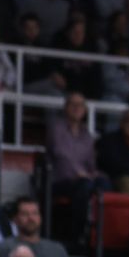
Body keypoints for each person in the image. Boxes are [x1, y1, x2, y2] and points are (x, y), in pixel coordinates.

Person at [47, 90, 109, 245]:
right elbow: (60, 154)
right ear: (66, 107)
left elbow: (90, 164)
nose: (77, 108)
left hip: (82, 180)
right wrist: (79, 174)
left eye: (80, 105)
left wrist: (95, 175)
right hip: (59, 180)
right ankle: (76, 237)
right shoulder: (56, 128)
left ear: (85, 110)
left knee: (103, 183)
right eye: (73, 104)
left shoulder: (87, 135)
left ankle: (101, 239)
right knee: (84, 185)